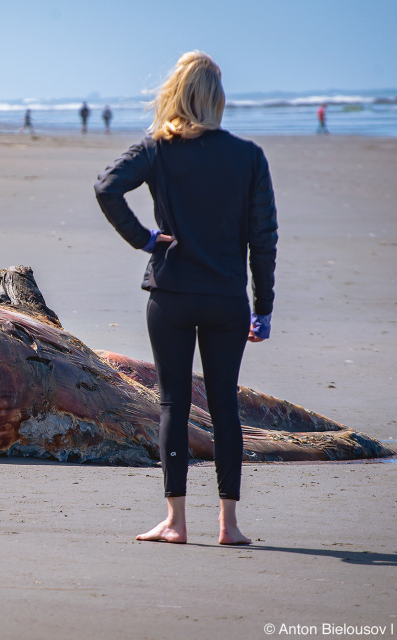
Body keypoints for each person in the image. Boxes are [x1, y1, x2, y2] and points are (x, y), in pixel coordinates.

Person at [94, 51, 278, 545]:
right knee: (224, 408)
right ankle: (230, 525)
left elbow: (107, 187)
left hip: (171, 295)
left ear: (175, 94)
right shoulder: (248, 156)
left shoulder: (157, 149)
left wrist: (146, 239)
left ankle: (175, 523)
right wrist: (264, 307)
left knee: (174, 405)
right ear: (217, 99)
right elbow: (263, 237)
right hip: (225, 299)